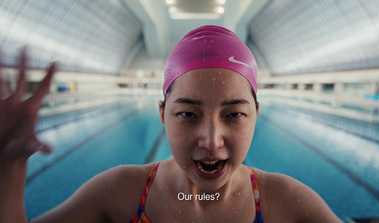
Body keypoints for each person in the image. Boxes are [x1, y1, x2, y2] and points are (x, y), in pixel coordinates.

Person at [0, 25, 342, 223]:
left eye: (234, 114)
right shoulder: (120, 191)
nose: (211, 140)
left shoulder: (284, 201)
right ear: (162, 113)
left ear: (256, 114)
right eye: (189, 114)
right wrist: (8, 169)